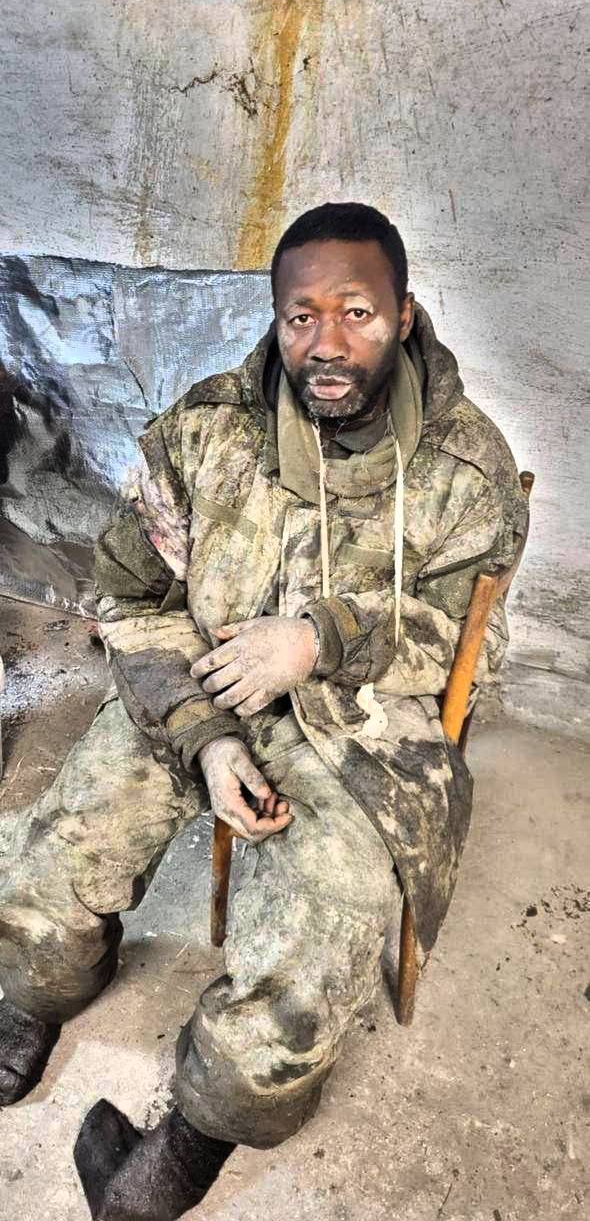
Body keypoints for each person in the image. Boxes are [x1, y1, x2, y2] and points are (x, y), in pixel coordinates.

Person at [0, 203, 527, 1220]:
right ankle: (36, 986)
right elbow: (130, 595)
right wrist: (204, 741)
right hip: (199, 681)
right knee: (62, 839)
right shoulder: (204, 432)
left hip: (359, 726)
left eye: (356, 312)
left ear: (403, 314)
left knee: (325, 926)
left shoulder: (465, 469)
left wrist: (322, 638)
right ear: (277, 318)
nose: (325, 342)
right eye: (300, 315)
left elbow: (472, 650)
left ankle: (199, 1132)